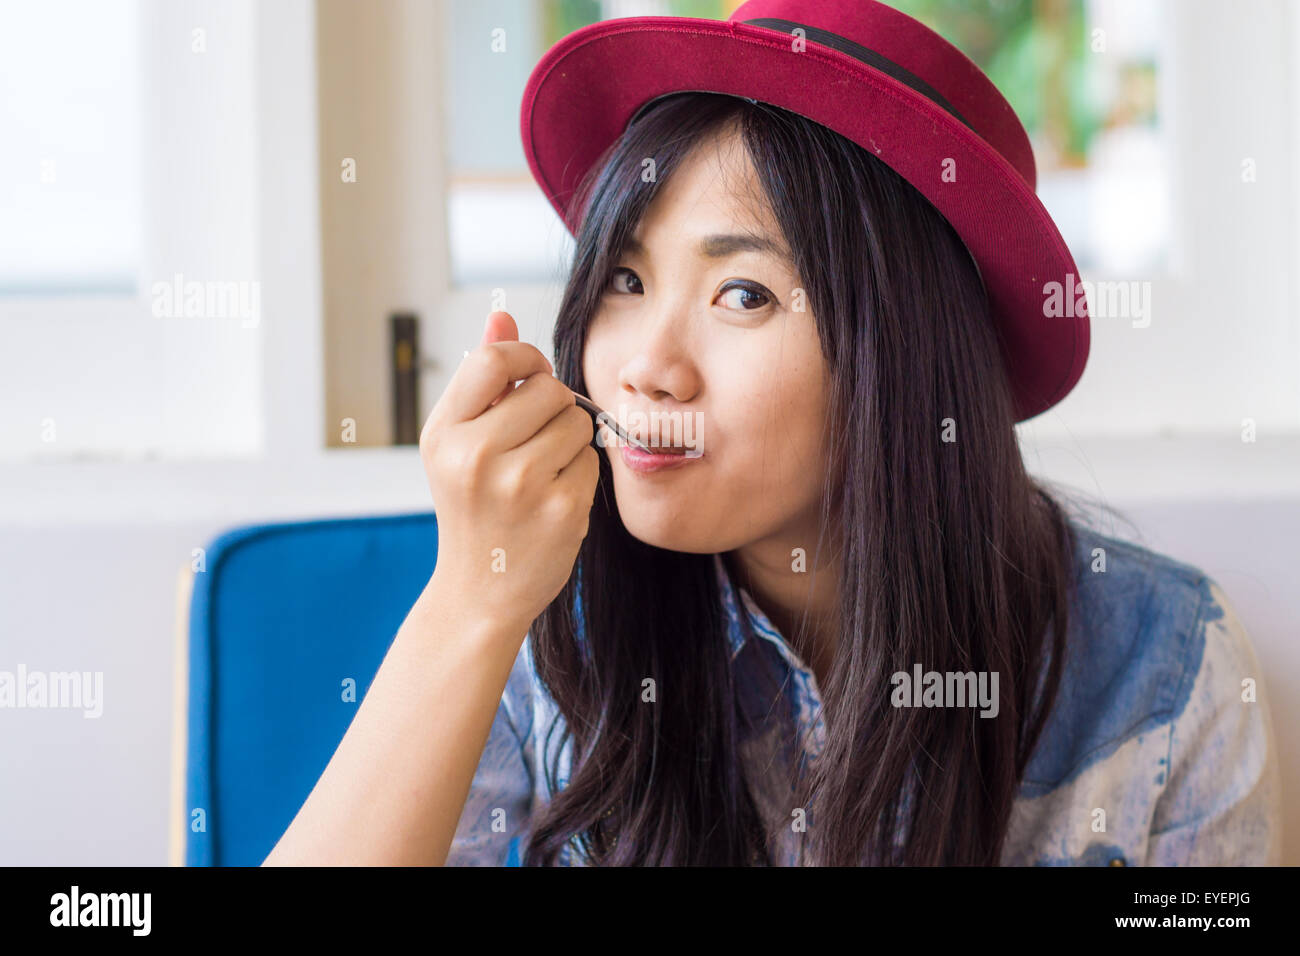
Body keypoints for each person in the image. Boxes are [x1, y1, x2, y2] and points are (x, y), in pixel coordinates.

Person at [264, 0, 1282, 867]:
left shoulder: (1162, 667)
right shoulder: (547, 621)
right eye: (624, 279)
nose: (643, 363)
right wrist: (467, 604)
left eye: (741, 292)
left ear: (906, 350)